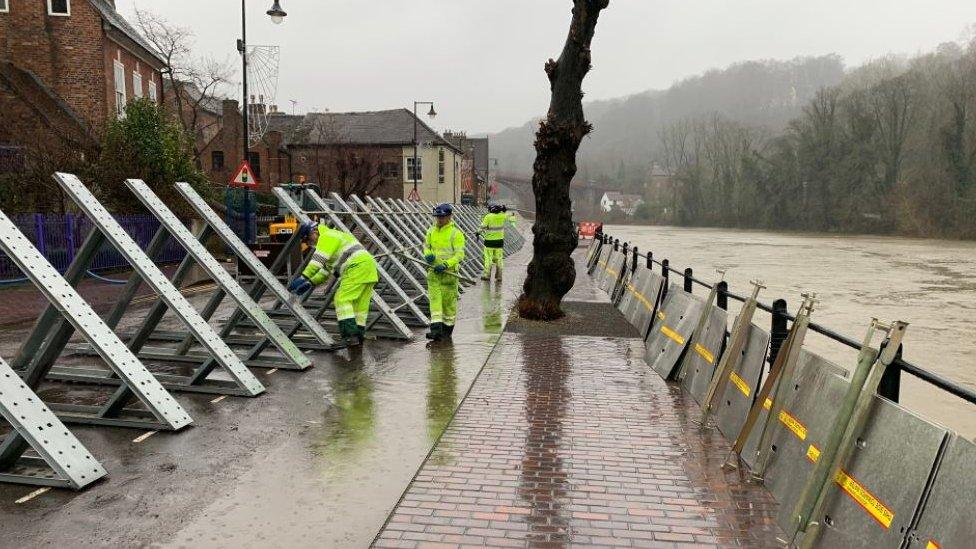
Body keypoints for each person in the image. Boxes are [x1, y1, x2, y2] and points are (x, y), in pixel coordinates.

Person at [288, 221, 378, 346]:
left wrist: (303, 278)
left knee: (342, 299)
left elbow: (317, 262)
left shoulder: (327, 237)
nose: (309, 243)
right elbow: (325, 271)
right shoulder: (334, 237)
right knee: (359, 306)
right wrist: (310, 282)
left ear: (313, 232)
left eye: (308, 239)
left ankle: (350, 336)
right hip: (368, 268)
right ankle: (358, 336)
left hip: (356, 267)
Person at [424, 203, 465, 341]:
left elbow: (459, 255)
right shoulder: (430, 231)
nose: (439, 219)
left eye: (442, 217)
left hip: (449, 274)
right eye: (437, 217)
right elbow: (426, 247)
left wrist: (446, 264)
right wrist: (427, 255)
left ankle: (447, 331)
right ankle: (435, 331)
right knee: (435, 303)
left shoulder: (456, 234)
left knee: (448, 305)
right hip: (433, 273)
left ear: (449, 216)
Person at [479, 204, 507, 281]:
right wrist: (504, 210)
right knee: (499, 259)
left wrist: (478, 232)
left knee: (488, 258)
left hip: (489, 242)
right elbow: (507, 215)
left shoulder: (488, 216)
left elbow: (483, 227)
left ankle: (487, 275)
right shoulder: (502, 216)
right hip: (499, 241)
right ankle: (499, 276)